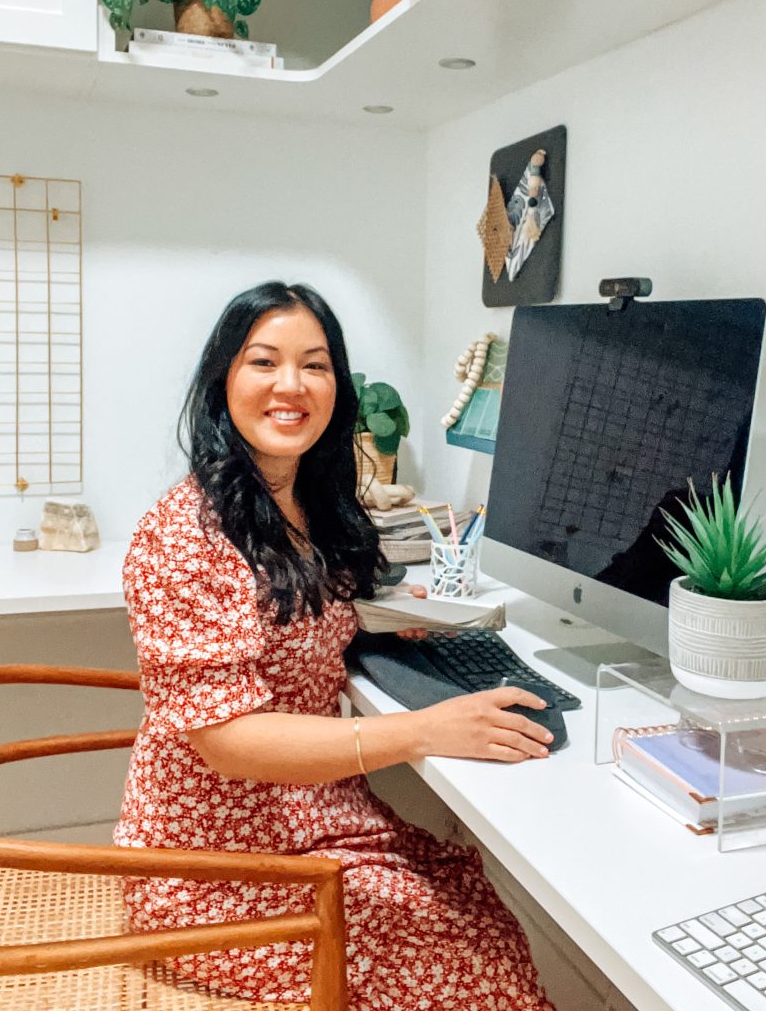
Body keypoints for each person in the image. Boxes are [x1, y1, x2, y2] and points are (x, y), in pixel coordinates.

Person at [115, 281, 557, 1010]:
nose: (291, 385)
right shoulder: (182, 536)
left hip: (312, 818)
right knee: (476, 959)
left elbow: (296, 612)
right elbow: (226, 739)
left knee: (480, 918)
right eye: (265, 362)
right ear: (221, 378)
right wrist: (420, 730)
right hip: (217, 868)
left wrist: (375, 620)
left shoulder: (304, 497)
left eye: (315, 365)